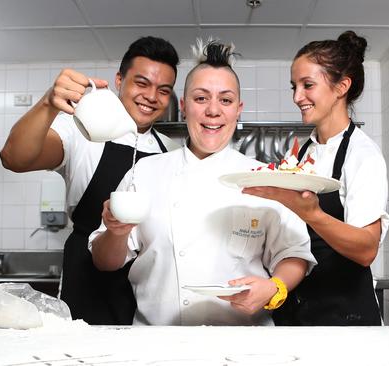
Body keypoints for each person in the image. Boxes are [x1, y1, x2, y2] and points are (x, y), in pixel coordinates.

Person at [89, 39, 316, 326]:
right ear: (184, 106)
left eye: (225, 100)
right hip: (158, 341)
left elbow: (294, 254)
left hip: (245, 342)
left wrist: (274, 288)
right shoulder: (144, 173)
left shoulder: (266, 178)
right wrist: (116, 232)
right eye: (201, 98)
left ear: (238, 109)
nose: (213, 111)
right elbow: (104, 261)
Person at [0, 36, 181, 325]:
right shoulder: (82, 131)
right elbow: (14, 158)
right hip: (87, 278)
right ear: (119, 80)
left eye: (163, 90)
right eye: (141, 83)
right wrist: (49, 103)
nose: (151, 96)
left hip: (149, 285)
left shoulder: (170, 149)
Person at [243, 31, 389, 326]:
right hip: (295, 310)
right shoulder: (300, 154)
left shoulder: (363, 155)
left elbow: (366, 250)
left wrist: (312, 214)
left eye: (307, 85)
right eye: (294, 87)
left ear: (342, 86)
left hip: (345, 314)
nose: (297, 97)